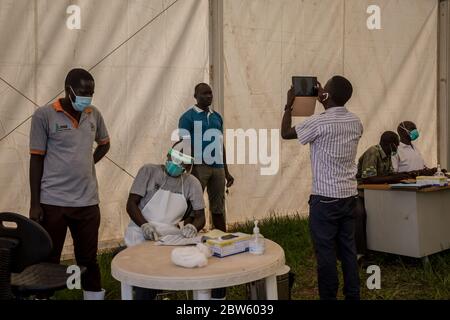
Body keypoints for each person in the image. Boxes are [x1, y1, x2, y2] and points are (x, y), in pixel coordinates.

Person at [29, 68, 110, 300]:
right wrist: (35, 203)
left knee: (88, 259)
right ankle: (45, 297)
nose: (88, 98)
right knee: (49, 259)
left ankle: (93, 296)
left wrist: (89, 163)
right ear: (69, 90)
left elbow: (105, 143)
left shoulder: (93, 114)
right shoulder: (44, 115)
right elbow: (36, 159)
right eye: (84, 92)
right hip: (53, 202)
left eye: (92, 93)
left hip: (88, 202)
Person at [281, 75, 362, 300]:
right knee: (347, 249)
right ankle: (352, 295)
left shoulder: (318, 122)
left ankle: (328, 296)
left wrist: (289, 104)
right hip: (349, 197)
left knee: (325, 252)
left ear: (326, 94)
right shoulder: (356, 122)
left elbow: (286, 133)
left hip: (325, 199)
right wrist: (324, 98)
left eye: (324, 88)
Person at [125, 141, 206, 299]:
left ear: (189, 166)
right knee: (146, 271)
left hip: (170, 236)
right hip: (139, 232)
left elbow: (200, 216)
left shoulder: (192, 183)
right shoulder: (148, 171)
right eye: (175, 158)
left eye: (183, 162)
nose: (177, 164)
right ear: (168, 154)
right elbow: (131, 204)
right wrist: (144, 226)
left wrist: (193, 227)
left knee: (188, 262)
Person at [178, 83, 234, 299]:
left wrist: (227, 171)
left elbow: (221, 145)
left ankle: (223, 246)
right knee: (193, 208)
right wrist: (184, 171)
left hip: (217, 166)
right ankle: (189, 246)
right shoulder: (187, 117)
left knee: (218, 208)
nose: (209, 95)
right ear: (195, 95)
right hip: (197, 166)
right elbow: (183, 145)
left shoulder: (217, 117)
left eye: (211, 92)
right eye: (205, 92)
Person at [355, 131, 411, 256]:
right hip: (360, 194)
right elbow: (368, 179)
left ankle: (387, 246)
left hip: (377, 194)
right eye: (396, 145)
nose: (397, 148)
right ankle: (361, 252)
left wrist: (402, 176)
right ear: (390, 144)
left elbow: (389, 175)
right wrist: (393, 178)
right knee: (361, 214)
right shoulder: (373, 152)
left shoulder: (387, 155)